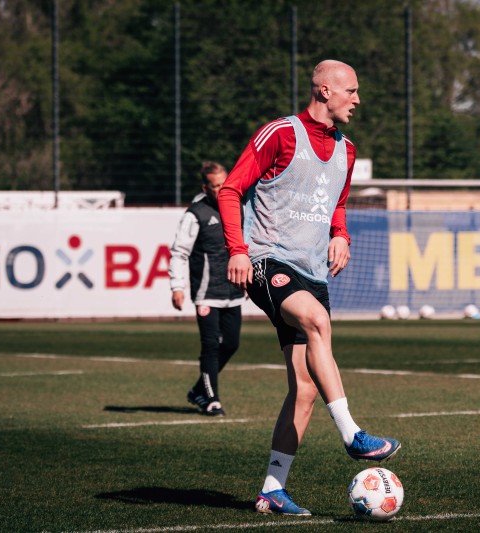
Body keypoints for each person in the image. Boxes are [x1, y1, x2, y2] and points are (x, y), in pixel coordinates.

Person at [217, 59, 401, 516]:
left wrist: (342, 235)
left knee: (304, 389)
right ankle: (353, 435)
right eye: (351, 91)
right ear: (324, 91)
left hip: (313, 273)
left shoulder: (347, 150)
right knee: (316, 321)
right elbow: (230, 190)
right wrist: (237, 250)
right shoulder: (280, 134)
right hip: (267, 260)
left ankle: (272, 490)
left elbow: (337, 203)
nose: (357, 100)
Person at [168, 161, 246, 417]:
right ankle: (211, 399)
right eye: (215, 186)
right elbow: (179, 253)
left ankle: (198, 390)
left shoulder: (239, 207)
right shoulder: (195, 214)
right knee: (211, 345)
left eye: (224, 183)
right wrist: (177, 286)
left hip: (233, 291)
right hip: (206, 293)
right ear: (205, 187)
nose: (221, 189)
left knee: (231, 344)